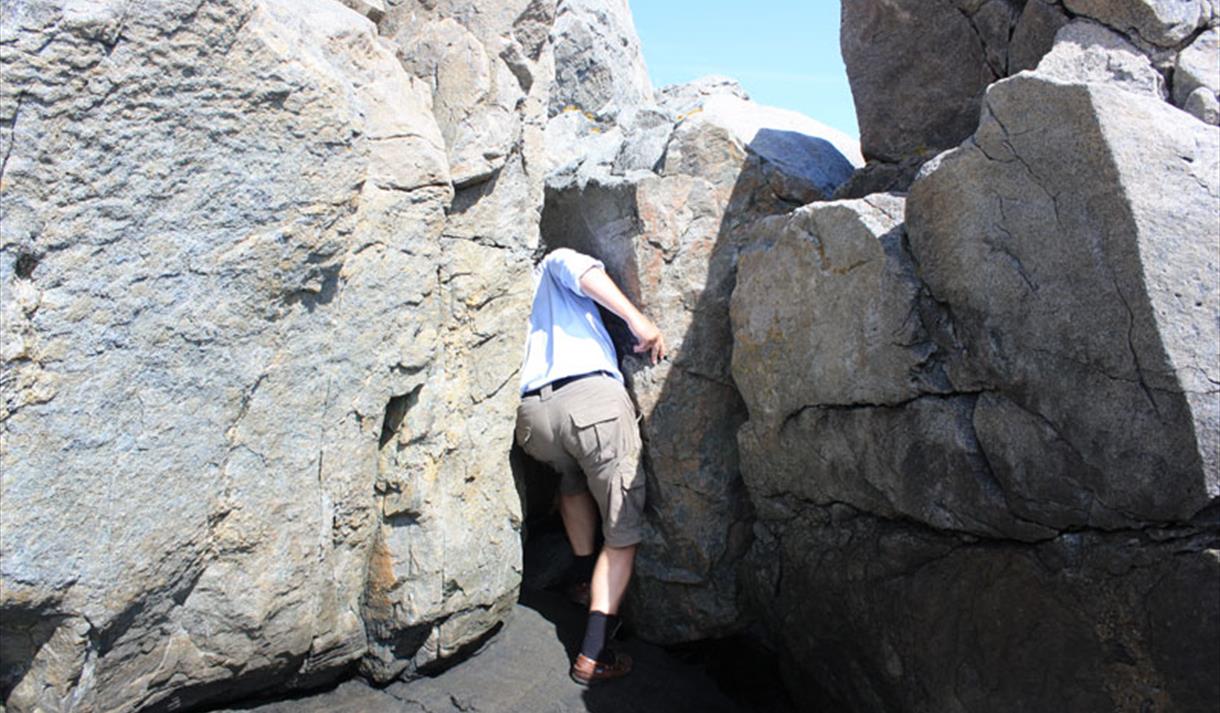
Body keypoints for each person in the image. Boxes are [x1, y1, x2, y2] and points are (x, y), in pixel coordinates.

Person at [514, 247, 666, 685]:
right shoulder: (554, 260)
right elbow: (582, 272)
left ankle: (583, 581)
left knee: (571, 477)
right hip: (589, 399)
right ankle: (593, 654)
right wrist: (637, 320)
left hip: (534, 417)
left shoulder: (513, 285)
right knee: (622, 529)